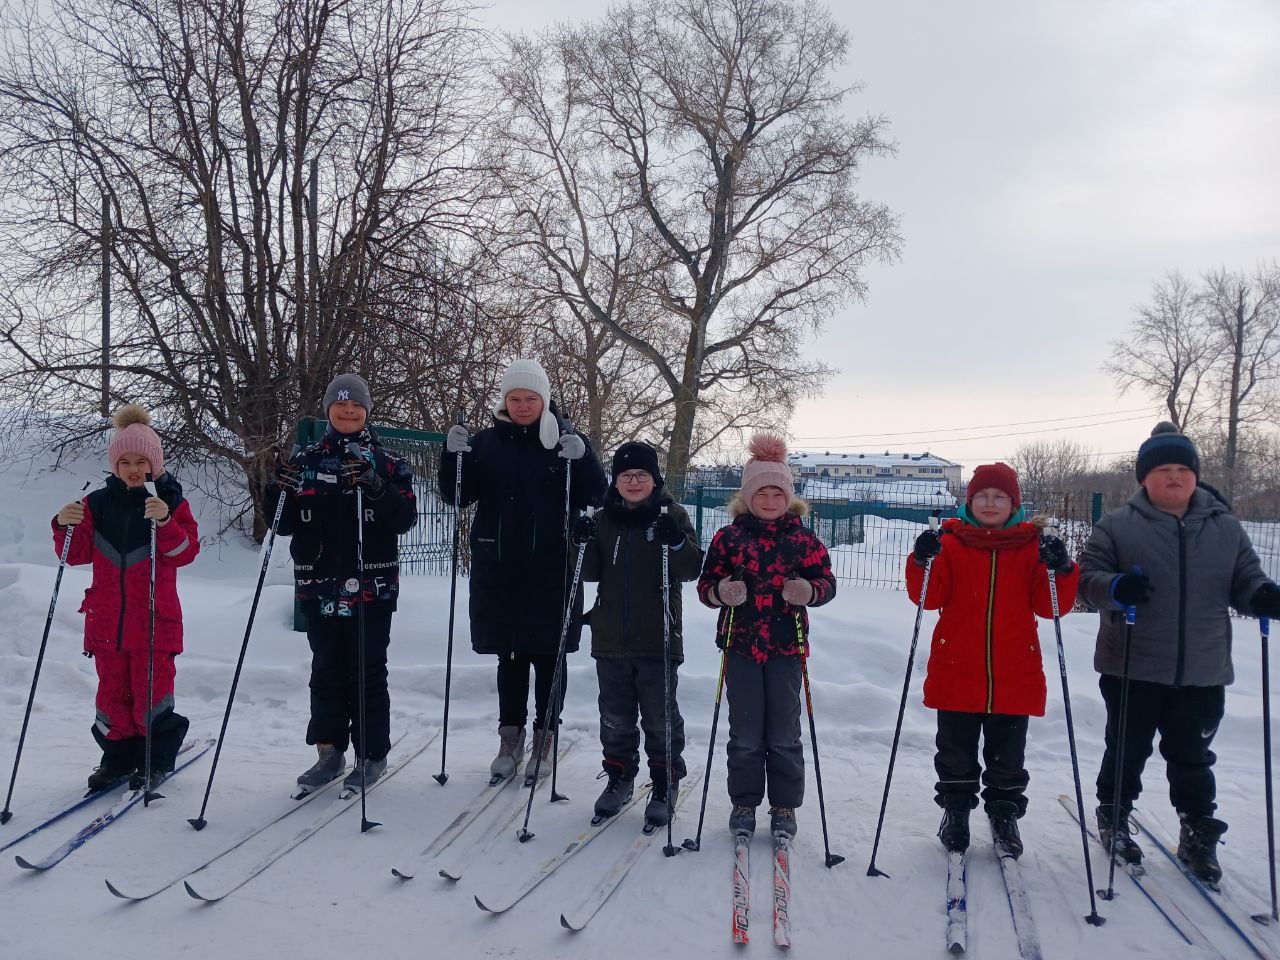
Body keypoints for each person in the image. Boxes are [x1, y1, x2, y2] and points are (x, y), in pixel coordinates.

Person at [1079, 422, 1280, 884]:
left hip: (1203, 667)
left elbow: (1246, 580)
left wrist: (1262, 596)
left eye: (1182, 469)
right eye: (1163, 469)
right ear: (1144, 478)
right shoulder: (1117, 526)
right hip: (1133, 662)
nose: (1174, 477)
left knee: (1191, 754)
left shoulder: (1225, 527)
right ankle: (1114, 812)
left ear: (1195, 475)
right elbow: (1087, 581)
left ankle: (1197, 829)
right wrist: (1115, 587)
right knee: (1126, 747)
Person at [439, 358, 606, 781]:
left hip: (553, 569)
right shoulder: (486, 444)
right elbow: (457, 495)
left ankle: (546, 737)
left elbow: (596, 492)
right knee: (509, 654)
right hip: (500, 569)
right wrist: (452, 456)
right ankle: (509, 737)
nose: (523, 405)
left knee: (550, 656)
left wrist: (584, 457)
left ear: (544, 400)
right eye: (515, 398)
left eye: (531, 398)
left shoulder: (565, 441)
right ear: (504, 401)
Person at [907, 462, 1079, 858]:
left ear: (1013, 503)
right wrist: (921, 561)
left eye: (999, 496)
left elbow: (1050, 607)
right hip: (957, 669)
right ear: (969, 502)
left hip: (1014, 671)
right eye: (982, 496)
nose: (989, 503)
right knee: (954, 752)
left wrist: (1063, 569)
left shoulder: (1032, 547)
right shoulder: (950, 543)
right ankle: (956, 811)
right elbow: (927, 598)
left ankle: (1004, 814)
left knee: (1008, 756)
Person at [268, 373, 417, 793]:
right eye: (340, 405)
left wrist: (374, 486)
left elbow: (404, 519)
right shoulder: (307, 459)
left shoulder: (388, 463)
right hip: (320, 584)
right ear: (329, 409)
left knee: (368, 669)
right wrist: (276, 490)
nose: (348, 411)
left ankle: (372, 754)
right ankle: (329, 752)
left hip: (372, 585)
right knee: (326, 669)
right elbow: (282, 523)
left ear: (367, 411)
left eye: (356, 406)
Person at [53, 404, 199, 792]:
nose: (134, 469)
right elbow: (75, 553)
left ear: (155, 464)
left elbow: (185, 551)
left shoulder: (170, 501)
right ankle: (116, 758)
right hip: (107, 624)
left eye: (142, 461)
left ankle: (153, 758)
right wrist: (63, 524)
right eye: (125, 461)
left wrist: (165, 522)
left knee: (151, 696)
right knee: (112, 696)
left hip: (154, 622)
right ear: (114, 465)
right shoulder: (98, 504)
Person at [696, 433, 836, 840]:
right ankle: (744, 802)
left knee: (783, 732)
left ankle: (784, 806)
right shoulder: (729, 538)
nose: (770, 500)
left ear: (789, 497)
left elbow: (826, 583)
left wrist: (809, 592)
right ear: (747, 496)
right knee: (744, 733)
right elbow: (706, 586)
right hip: (739, 646)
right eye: (763, 492)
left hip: (786, 648)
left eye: (778, 492)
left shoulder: (804, 541)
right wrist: (721, 592)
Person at [578, 441, 703, 826]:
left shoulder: (671, 514)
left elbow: (691, 568)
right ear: (616, 481)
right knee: (615, 715)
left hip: (658, 636)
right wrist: (578, 541)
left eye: (641, 475)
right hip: (610, 636)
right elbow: (589, 573)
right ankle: (619, 776)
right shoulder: (604, 519)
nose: (633, 482)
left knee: (660, 717)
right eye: (626, 475)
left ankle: (665, 781)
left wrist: (677, 541)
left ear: (654, 479)